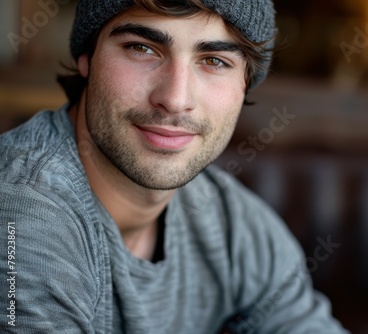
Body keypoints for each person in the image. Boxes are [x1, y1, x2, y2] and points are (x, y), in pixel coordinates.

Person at [0, 0, 349, 333]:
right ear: (87, 57)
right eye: (142, 48)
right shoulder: (22, 212)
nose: (175, 98)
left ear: (245, 84)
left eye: (214, 60)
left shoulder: (232, 224)